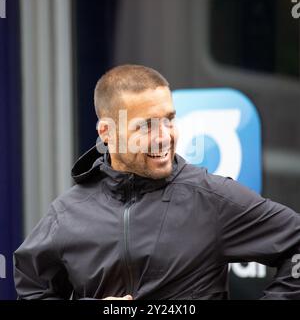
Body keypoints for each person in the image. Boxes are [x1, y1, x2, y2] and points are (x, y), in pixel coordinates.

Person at [14, 65, 300, 300]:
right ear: (107, 132)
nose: (164, 136)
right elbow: (31, 290)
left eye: (169, 119)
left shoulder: (209, 197)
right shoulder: (66, 214)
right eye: (146, 125)